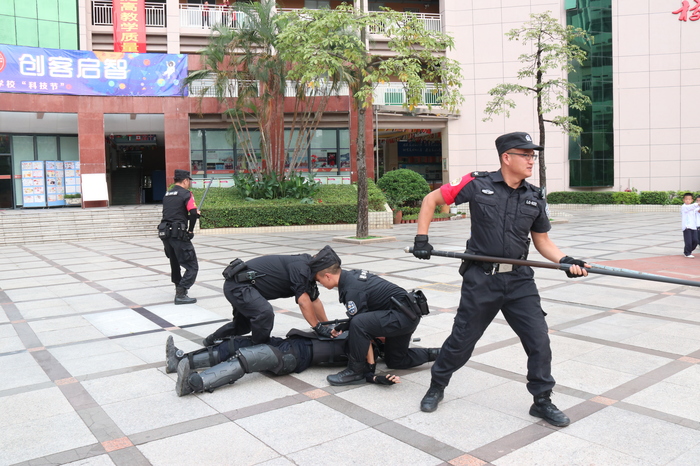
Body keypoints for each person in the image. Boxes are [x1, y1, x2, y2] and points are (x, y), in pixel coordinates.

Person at [411, 131, 588, 427]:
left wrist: (565, 260)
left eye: (533, 155)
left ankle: (542, 400)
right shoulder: (476, 183)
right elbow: (432, 199)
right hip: (482, 279)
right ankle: (437, 385)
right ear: (507, 157)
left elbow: (543, 241)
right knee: (462, 341)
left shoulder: (534, 197)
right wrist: (421, 238)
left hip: (519, 281)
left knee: (539, 341)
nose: (531, 160)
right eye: (525, 155)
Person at [312, 246, 441, 386]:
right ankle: (440, 353)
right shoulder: (350, 276)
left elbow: (361, 325)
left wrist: (370, 367)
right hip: (406, 314)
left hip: (401, 316)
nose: (320, 284)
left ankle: (355, 372)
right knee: (396, 360)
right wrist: (344, 326)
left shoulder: (352, 289)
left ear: (328, 276)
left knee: (358, 323)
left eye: (319, 280)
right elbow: (366, 314)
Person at [165, 332, 400, 396]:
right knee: (237, 344)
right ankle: (180, 361)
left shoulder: (368, 348)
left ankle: (195, 384)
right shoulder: (357, 328)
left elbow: (365, 371)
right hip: (290, 342)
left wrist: (380, 378)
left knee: (251, 357)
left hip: (296, 357)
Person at [201, 246, 337, 347]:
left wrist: (329, 327)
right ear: (325, 274)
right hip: (238, 286)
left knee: (244, 326)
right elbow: (304, 302)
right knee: (264, 313)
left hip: (245, 287)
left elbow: (314, 301)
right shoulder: (301, 268)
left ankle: (212, 339)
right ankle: (259, 349)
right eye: (332, 278)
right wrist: (317, 327)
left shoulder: (310, 270)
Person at [158, 169, 199, 305]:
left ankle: (178, 288)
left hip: (166, 234)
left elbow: (174, 213)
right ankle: (181, 293)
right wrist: (190, 231)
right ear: (185, 180)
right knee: (192, 266)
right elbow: (193, 213)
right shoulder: (186, 194)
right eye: (188, 181)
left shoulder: (167, 194)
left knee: (175, 263)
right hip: (179, 234)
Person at [681, 192, 698, 258]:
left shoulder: (693, 208)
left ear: (692, 200)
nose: (687, 201)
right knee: (688, 241)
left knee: (695, 241)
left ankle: (688, 250)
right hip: (687, 227)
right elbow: (691, 207)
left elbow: (697, 209)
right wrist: (697, 204)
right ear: (683, 200)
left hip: (693, 227)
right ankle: (687, 253)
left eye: (689, 199)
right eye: (686, 199)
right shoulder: (684, 207)